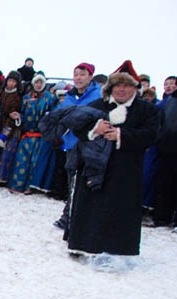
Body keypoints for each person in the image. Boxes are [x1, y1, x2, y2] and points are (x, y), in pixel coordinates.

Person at [64, 66, 159, 260]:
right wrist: (95, 130)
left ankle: (117, 251)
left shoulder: (147, 110)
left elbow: (152, 134)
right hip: (94, 168)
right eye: (117, 85)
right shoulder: (97, 106)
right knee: (90, 207)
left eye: (126, 85)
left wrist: (121, 135)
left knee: (121, 209)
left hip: (127, 169)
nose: (121, 89)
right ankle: (83, 246)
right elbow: (78, 128)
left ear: (135, 88)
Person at [52, 63, 102, 229]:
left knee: (86, 183)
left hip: (91, 146)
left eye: (82, 74)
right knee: (72, 182)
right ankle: (69, 217)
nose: (78, 78)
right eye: (76, 74)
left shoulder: (98, 96)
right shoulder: (70, 96)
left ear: (90, 77)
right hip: (71, 145)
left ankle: (77, 218)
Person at [151, 68, 177, 233]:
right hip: (166, 149)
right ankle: (161, 218)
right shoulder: (171, 100)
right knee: (163, 185)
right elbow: (159, 120)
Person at [8, 73, 58, 194]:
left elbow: (55, 114)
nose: (38, 85)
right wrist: (18, 116)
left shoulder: (51, 98)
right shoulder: (26, 98)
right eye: (36, 82)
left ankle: (30, 187)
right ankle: (17, 185)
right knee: (21, 161)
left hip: (41, 136)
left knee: (34, 163)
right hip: (27, 135)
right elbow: (23, 114)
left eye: (41, 82)